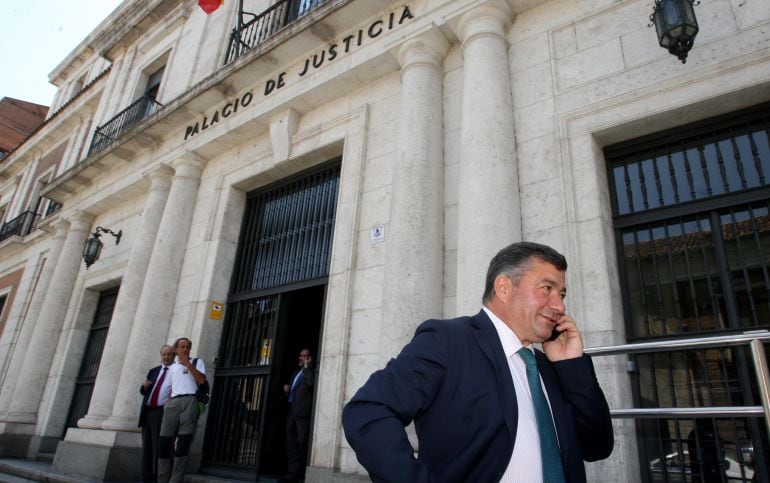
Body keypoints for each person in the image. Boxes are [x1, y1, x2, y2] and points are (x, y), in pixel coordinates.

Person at [342, 241, 614, 482]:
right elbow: (368, 410)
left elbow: (597, 447)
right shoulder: (448, 341)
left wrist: (571, 366)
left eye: (562, 294)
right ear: (505, 288)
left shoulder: (550, 366)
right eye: (547, 289)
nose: (560, 306)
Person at [158, 337, 206, 483]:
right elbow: (168, 386)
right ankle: (162, 479)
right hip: (173, 403)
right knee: (165, 442)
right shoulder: (171, 367)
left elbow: (202, 381)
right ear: (176, 350)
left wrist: (189, 365)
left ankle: (175, 480)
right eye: (182, 347)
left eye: (187, 347)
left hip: (190, 401)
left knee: (183, 443)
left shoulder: (197, 362)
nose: (185, 349)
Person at [139, 345, 175, 483]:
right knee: (147, 445)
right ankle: (146, 477)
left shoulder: (176, 371)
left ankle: (157, 477)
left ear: (174, 355)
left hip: (162, 412)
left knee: (159, 446)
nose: (166, 357)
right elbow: (143, 391)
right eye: (164, 354)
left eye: (169, 354)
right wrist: (144, 387)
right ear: (161, 355)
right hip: (148, 412)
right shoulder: (153, 371)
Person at [283, 348, 314, 482]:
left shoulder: (311, 372)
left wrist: (307, 367)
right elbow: (292, 393)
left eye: (304, 356)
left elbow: (310, 384)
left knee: (302, 445)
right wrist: (287, 390)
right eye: (300, 355)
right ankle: (291, 475)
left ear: (309, 358)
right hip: (292, 413)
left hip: (302, 414)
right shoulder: (296, 373)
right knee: (291, 445)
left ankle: (301, 475)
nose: (300, 358)